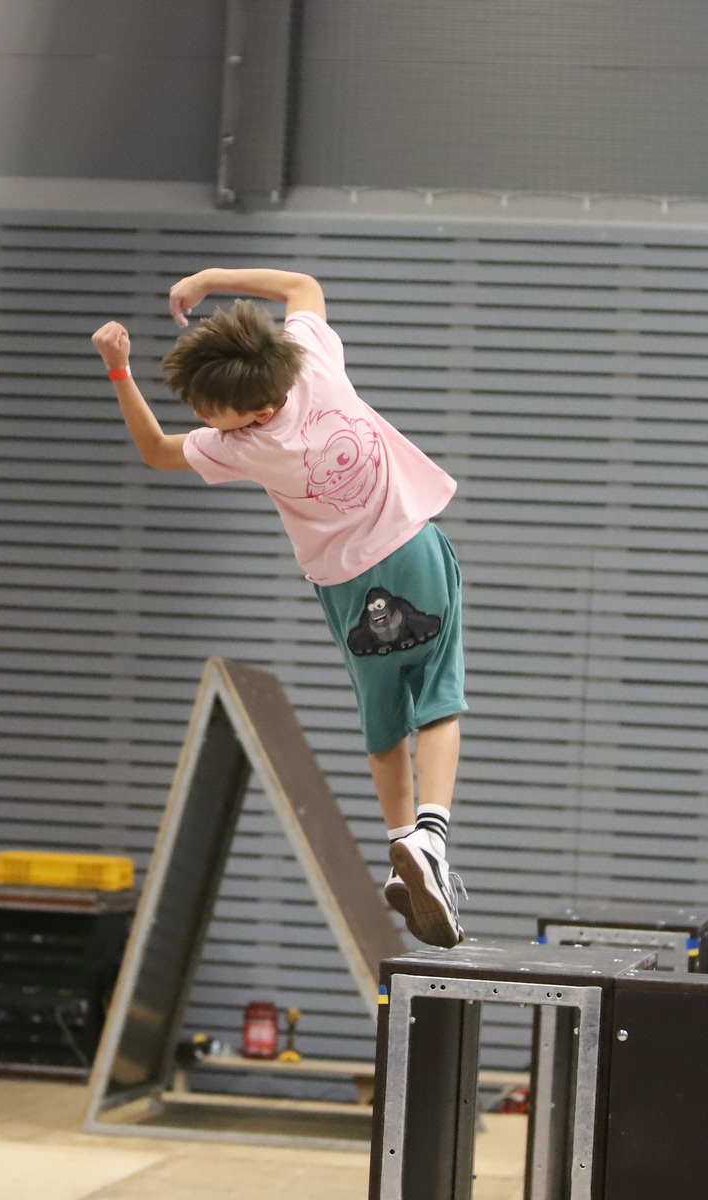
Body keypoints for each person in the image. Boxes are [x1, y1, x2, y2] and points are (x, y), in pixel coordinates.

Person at [90, 268, 469, 948]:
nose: (202, 421)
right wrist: (212, 279)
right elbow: (300, 286)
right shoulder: (311, 360)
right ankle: (430, 840)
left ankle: (402, 842)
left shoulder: (243, 447)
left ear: (256, 415)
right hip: (412, 551)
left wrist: (119, 370)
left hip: (347, 590)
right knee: (438, 698)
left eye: (210, 413)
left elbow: (154, 451)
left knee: (384, 720)